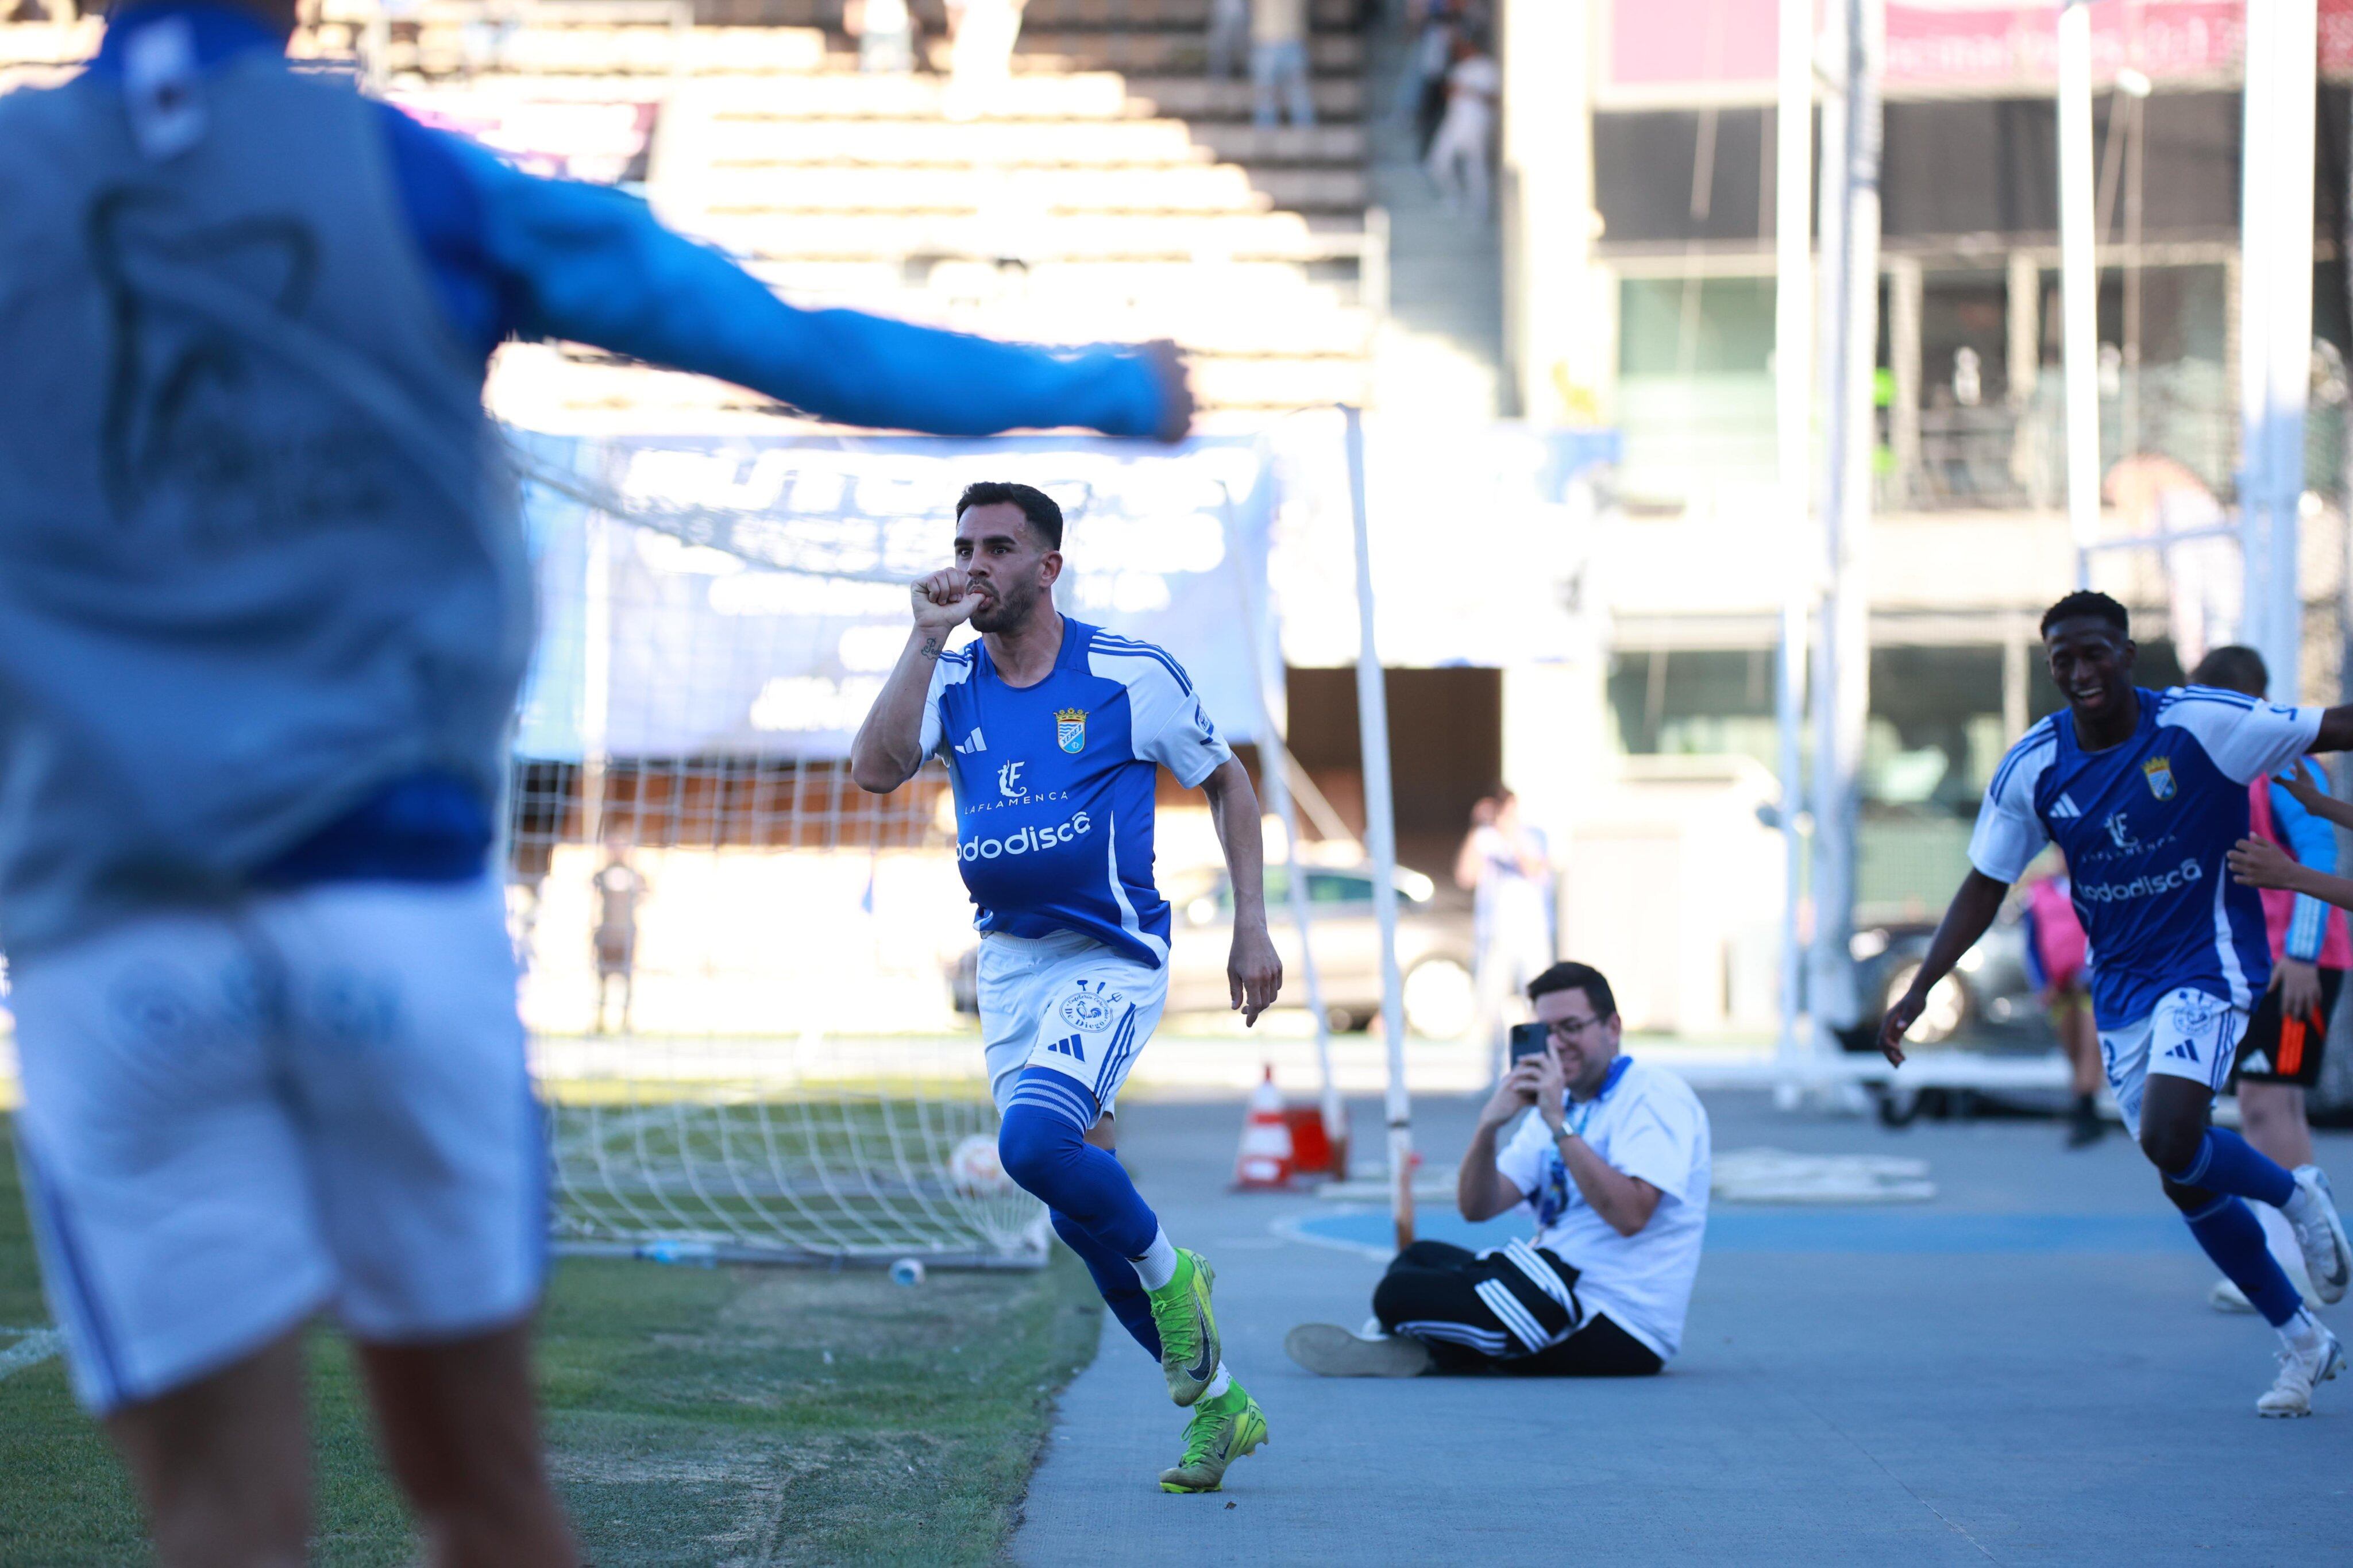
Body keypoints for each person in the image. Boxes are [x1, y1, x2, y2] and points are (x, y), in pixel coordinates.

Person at [0, 3, 1193, 1560]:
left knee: (221, 1521)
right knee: (485, 1500)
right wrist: (1106, 383)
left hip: (113, 935)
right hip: (388, 912)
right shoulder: (421, 184)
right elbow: (800, 350)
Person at [849, 482, 1283, 1493]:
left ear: (1047, 567)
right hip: (1008, 962)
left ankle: (1182, 1279)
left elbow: (1227, 781)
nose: (975, 564)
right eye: (963, 546)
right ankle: (1221, 1407)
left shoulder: (1129, 674)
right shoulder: (952, 680)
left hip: (1109, 957)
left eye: (999, 547)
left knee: (1034, 1146)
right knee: (1070, 1211)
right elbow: (873, 771)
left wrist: (1251, 925)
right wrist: (921, 640)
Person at [1880, 591, 2353, 1417]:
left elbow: (2334, 727)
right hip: (2125, 983)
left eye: (2096, 652)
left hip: (2210, 963)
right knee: (2180, 1169)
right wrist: (1922, 985)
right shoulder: (2036, 765)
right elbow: (1986, 882)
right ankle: (2303, 1337)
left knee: (2179, 1131)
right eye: (2064, 658)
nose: (2081, 670)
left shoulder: (2207, 723)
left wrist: (2307, 937)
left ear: (2130, 654)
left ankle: (2295, 1196)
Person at [1284, 961, 1709, 1377]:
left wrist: (1558, 1124)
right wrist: (1490, 1126)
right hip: (1551, 1287)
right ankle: (1434, 1346)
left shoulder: (1652, 1095)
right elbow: (1478, 1207)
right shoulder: (1558, 1104)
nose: (1558, 1044)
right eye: (1547, 1032)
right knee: (1419, 1257)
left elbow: (1631, 1216)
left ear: (1613, 1028)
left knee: (1397, 1296)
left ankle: (1434, 1350)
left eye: (1572, 1027)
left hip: (1613, 1320)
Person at [2192, 645, 2348, 1312]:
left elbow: (2316, 847)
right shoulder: (2228, 770)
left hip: (2299, 963)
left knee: (2266, 1101)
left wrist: (2305, 953)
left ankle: (2296, 1260)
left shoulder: (2280, 762)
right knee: (2266, 1102)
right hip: (2260, 963)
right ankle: (2293, 1253)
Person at [1455, 783, 1553, 1066]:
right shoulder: (1485, 838)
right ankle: (1494, 1071)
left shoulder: (1534, 835)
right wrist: (1478, 828)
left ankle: (1538, 1067)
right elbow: (1466, 876)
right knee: (1490, 1008)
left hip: (1532, 934)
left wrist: (1511, 834)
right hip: (1496, 936)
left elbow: (1535, 869)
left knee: (1537, 1005)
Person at [2020, 856, 2104, 1147]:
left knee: (2091, 1044)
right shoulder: (2038, 893)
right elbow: (2032, 943)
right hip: (2058, 989)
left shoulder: (2098, 886)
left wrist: (2089, 974)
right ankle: (2083, 1104)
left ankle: (2087, 1111)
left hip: (2091, 983)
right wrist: (2043, 984)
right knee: (2074, 1049)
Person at [1424, 32, 1497, 217]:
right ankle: (1454, 199)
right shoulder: (1460, 68)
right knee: (1438, 162)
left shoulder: (1488, 67)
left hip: (1476, 122)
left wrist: (1468, 91)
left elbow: (1494, 99)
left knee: (1475, 167)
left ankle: (1479, 209)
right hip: (1454, 121)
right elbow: (1449, 94)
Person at [591, 836, 648, 1036]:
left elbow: (647, 894)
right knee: (602, 980)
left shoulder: (635, 875)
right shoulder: (601, 874)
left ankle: (625, 1023)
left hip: (627, 935)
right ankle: (599, 1022)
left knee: (627, 981)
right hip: (606, 935)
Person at [1250, 0, 1314, 128]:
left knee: (1299, 96)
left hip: (1293, 40)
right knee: (1265, 96)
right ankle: (1265, 139)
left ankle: (1306, 135)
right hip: (1266, 40)